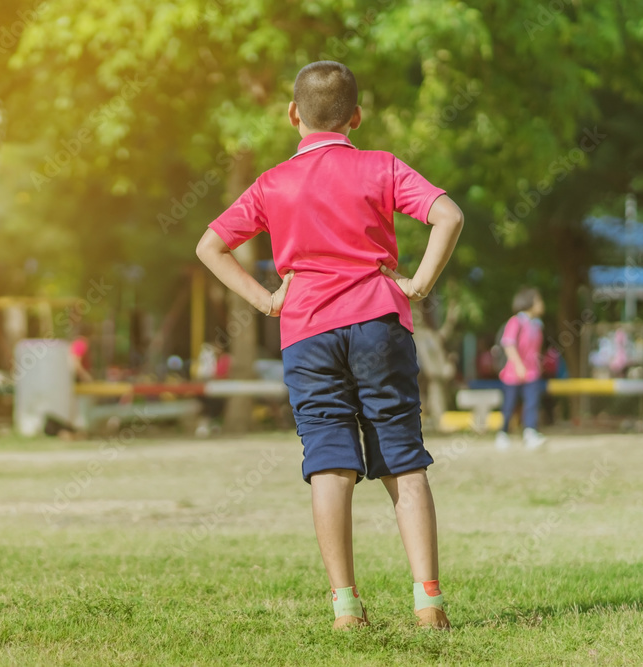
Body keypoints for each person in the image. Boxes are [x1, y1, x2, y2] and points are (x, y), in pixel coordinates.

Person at [195, 61, 462, 630]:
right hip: (379, 322)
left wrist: (268, 300)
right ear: (356, 117)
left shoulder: (271, 183)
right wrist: (418, 283)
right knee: (402, 457)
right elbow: (449, 215)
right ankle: (428, 602)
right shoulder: (381, 166)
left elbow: (209, 246)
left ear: (293, 114)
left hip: (308, 330)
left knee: (328, 461)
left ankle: (346, 608)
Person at [495, 287, 547, 450]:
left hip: (532, 373)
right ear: (529, 302)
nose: (541, 304)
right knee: (509, 405)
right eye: (538, 300)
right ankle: (503, 433)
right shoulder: (516, 321)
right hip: (513, 373)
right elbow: (508, 344)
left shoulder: (537, 325)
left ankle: (530, 432)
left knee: (532, 403)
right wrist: (518, 365)